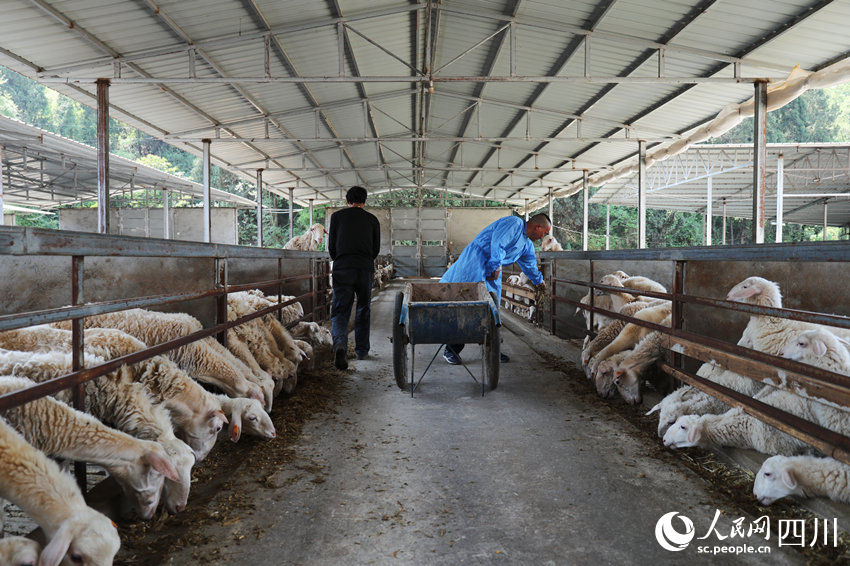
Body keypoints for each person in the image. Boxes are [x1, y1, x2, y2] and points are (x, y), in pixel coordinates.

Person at [439, 213, 550, 365]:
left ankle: (492, 349)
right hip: (476, 262)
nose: (543, 237)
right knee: (467, 304)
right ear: (538, 227)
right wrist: (496, 265)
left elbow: (529, 265)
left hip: (492, 271)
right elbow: (498, 243)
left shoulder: (526, 245)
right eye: (544, 233)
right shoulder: (515, 223)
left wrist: (539, 281)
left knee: (492, 310)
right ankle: (451, 350)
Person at [328, 186, 381, 370]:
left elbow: (332, 248)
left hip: (343, 267)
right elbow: (376, 250)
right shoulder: (372, 220)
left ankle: (340, 345)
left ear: (346, 200)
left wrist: (342, 260)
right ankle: (362, 350)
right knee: (363, 308)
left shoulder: (337, 217)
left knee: (340, 311)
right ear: (364, 201)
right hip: (364, 268)